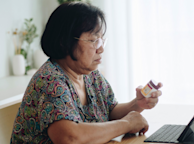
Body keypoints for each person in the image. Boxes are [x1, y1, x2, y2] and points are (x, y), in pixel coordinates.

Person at [10, 2, 163, 144]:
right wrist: (127, 123)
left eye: (102, 40)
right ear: (65, 42)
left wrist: (137, 104)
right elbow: (69, 137)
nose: (101, 48)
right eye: (93, 40)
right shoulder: (50, 80)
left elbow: (110, 111)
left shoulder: (90, 75)